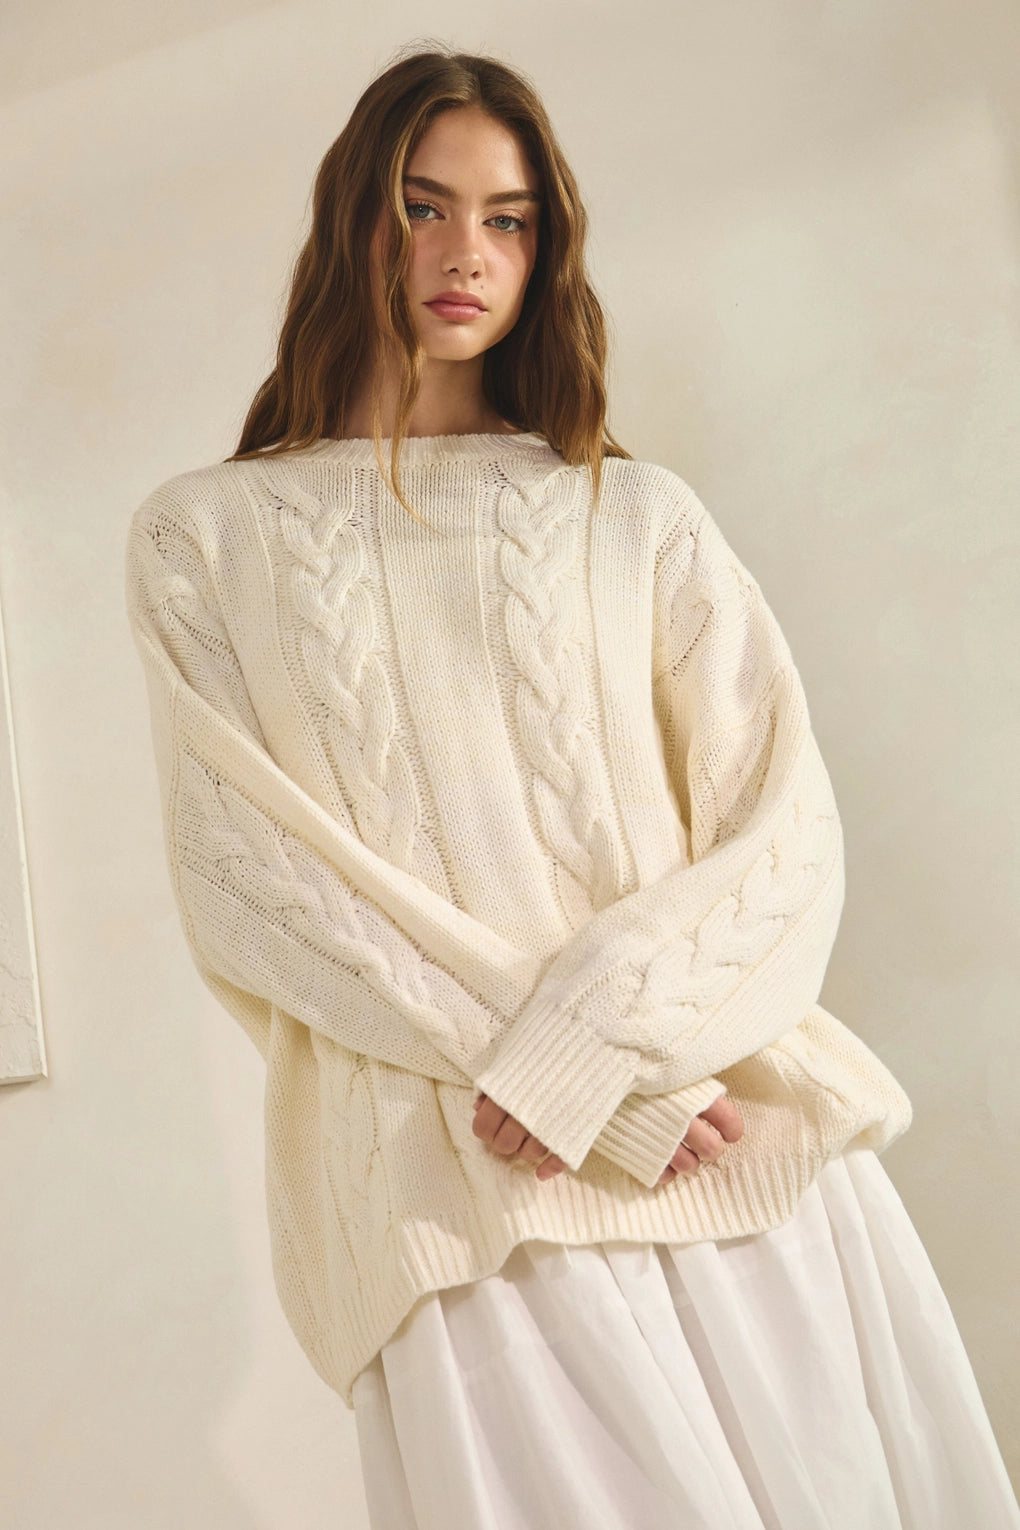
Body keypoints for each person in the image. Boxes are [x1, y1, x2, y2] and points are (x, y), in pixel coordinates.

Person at [125, 43, 1020, 1530]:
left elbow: (785, 836)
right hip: (461, 1195)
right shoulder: (203, 542)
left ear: (546, 248)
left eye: (509, 218)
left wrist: (608, 1049)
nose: (464, 253)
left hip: (731, 1148)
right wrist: (563, 1083)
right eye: (422, 207)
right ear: (352, 219)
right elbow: (257, 891)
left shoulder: (635, 514)